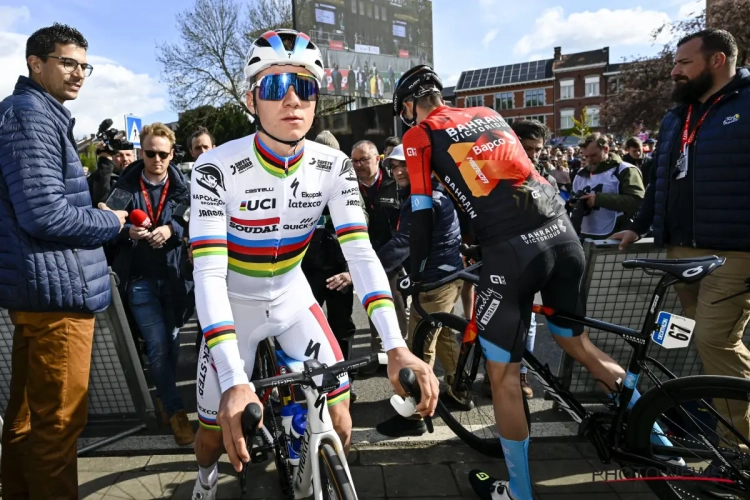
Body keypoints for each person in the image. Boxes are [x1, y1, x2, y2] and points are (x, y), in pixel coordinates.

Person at [393, 64, 667, 500]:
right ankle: (663, 446)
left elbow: (422, 210)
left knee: (503, 377)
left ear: (410, 105)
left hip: (515, 253)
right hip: (563, 237)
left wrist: (416, 268)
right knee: (577, 343)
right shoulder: (488, 113)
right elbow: (501, 178)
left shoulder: (419, 133)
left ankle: (518, 491)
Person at [188, 30, 438, 499]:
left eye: (304, 87)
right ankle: (204, 481)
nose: (292, 100)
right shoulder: (215, 167)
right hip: (234, 306)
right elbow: (209, 273)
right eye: (274, 86)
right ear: (251, 99)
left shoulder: (334, 165)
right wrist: (235, 380)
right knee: (212, 437)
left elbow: (360, 253)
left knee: (340, 422)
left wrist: (396, 345)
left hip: (292, 298)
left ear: (316, 98)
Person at [0, 23, 127, 499]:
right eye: (68, 62)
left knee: (27, 422)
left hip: (44, 291)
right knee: (57, 427)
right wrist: (107, 221)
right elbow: (43, 213)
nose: (78, 73)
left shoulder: (34, 113)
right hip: (57, 298)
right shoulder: (30, 115)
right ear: (35, 63)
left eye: (84, 66)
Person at [612, 28, 750, 442]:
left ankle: (739, 447)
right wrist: (637, 225)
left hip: (734, 252)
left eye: (684, 63)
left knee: (715, 340)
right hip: (680, 251)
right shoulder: (676, 117)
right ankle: (721, 425)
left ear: (717, 61)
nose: (674, 71)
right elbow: (660, 180)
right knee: (703, 343)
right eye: (674, 63)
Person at [110, 123, 195, 446]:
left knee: (171, 344)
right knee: (158, 345)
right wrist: (126, 232)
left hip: (173, 278)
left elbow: (193, 218)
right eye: (150, 153)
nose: (156, 159)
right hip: (139, 279)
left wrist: (171, 229)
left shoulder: (183, 187)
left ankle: (163, 396)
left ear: (172, 155)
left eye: (162, 154)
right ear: (141, 153)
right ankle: (175, 411)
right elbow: (107, 222)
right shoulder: (125, 186)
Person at [375, 144, 467, 437]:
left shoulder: (422, 200)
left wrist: (364, 272)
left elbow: (402, 243)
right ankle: (459, 390)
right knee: (444, 336)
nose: (398, 171)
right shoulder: (433, 192)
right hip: (448, 276)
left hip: (435, 281)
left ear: (423, 166)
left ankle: (415, 414)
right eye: (394, 166)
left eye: (405, 164)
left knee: (418, 347)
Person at [352, 140, 409, 350]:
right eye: (354, 161)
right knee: (372, 300)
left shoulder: (394, 182)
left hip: (393, 254)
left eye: (363, 160)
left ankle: (401, 346)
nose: (358, 165)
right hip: (364, 252)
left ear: (377, 159)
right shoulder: (349, 185)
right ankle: (378, 348)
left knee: (395, 301)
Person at [572, 133, 645, 240]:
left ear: (606, 149)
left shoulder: (625, 170)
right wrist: (573, 203)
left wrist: (598, 199)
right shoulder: (581, 174)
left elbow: (637, 201)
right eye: (586, 156)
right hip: (585, 235)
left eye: (593, 155)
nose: (589, 160)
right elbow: (574, 197)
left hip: (615, 234)